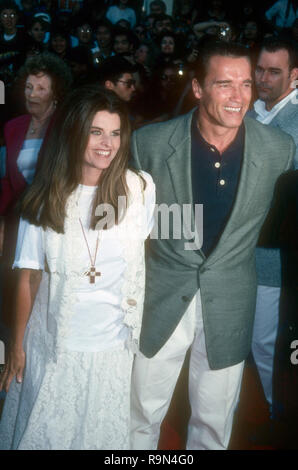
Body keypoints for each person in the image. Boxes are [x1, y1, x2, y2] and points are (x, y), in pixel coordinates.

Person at [129, 41, 295, 450]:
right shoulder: (148, 143)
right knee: (139, 414)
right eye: (224, 84)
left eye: (245, 84)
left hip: (231, 302)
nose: (239, 96)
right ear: (199, 88)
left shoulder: (279, 150)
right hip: (161, 299)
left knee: (214, 421)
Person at [0, 86, 155, 450]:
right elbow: (29, 277)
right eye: (96, 131)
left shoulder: (139, 188)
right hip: (57, 342)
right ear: (74, 133)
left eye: (116, 133)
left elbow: (137, 257)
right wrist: (17, 347)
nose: (108, 144)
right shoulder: (45, 198)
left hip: (113, 343)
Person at [0, 52, 72, 328]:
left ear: (56, 92)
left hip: (55, 220)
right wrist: (3, 222)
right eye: (29, 87)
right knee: (15, 287)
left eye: (41, 88)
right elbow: (8, 181)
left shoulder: (67, 127)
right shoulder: (13, 126)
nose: (32, 94)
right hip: (20, 221)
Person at [248, 37, 298, 421]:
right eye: (260, 69)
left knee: (268, 342)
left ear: (294, 76)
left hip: (278, 254)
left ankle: (277, 414)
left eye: (274, 71)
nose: (263, 78)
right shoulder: (244, 111)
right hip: (236, 251)